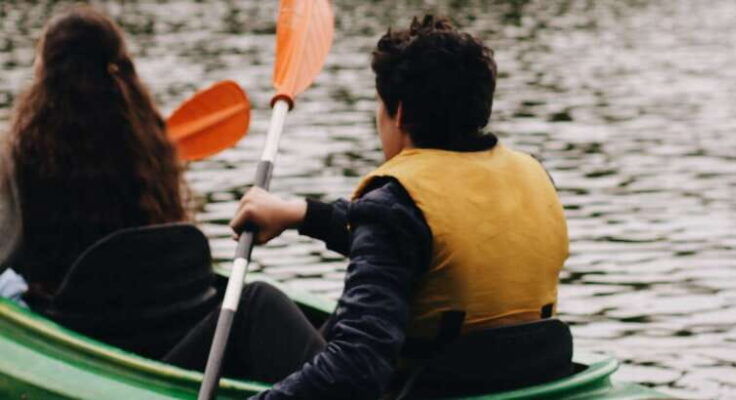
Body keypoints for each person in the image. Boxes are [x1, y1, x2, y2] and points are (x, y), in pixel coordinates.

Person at [231, 15, 572, 399]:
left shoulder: (398, 204)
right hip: (525, 379)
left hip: (424, 388)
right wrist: (301, 214)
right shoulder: (532, 176)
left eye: (379, 104)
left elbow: (355, 370)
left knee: (256, 302)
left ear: (400, 113)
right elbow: (436, 247)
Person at [0, 6, 322, 383]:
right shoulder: (151, 152)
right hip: (174, 337)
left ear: (44, 74)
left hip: (91, 348)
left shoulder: (20, 158)